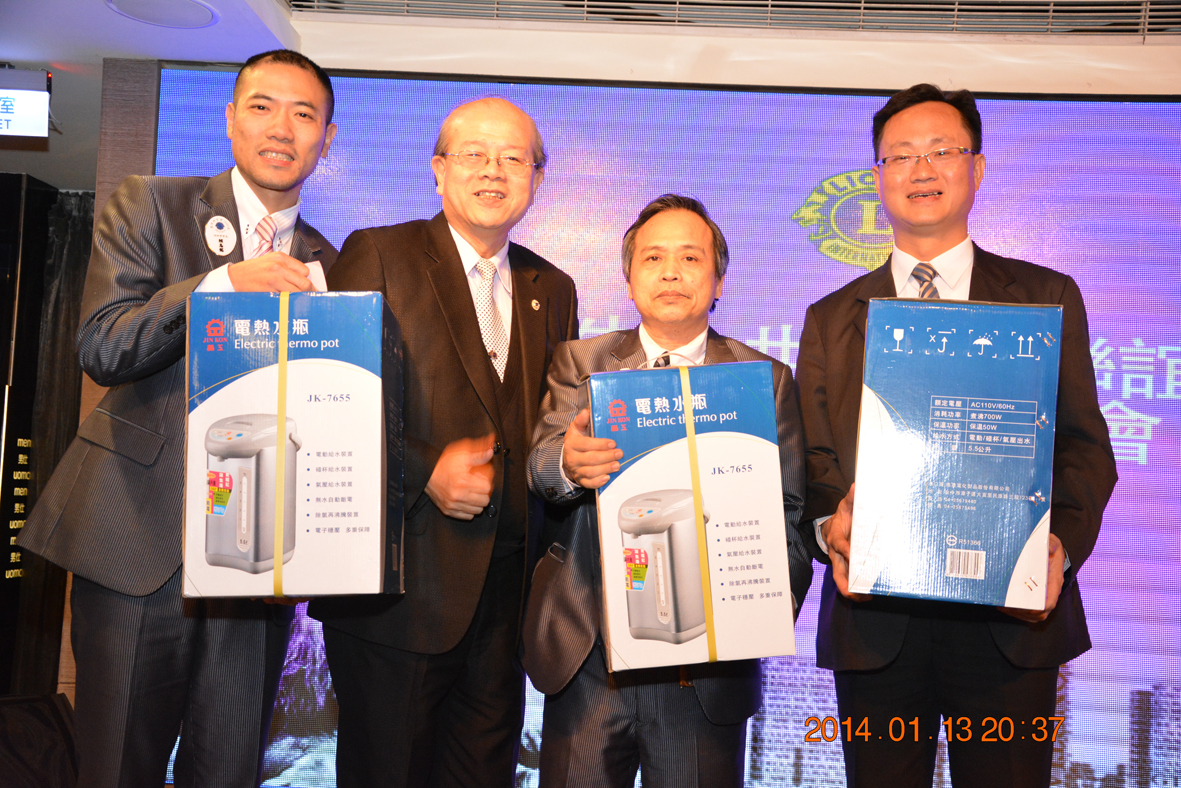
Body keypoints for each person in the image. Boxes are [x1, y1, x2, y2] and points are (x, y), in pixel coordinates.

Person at [17, 49, 338, 787]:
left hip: (258, 563)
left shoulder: (333, 262)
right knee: (115, 765)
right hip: (137, 544)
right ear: (229, 120)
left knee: (227, 769)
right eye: (261, 106)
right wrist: (221, 285)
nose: (281, 128)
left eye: (304, 114)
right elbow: (103, 346)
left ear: (327, 139)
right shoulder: (153, 204)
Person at [795, 84, 1117, 788]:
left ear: (977, 168)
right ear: (877, 176)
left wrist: (1059, 546)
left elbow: (1084, 447)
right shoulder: (830, 317)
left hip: (1011, 625)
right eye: (900, 155)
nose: (921, 169)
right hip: (876, 624)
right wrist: (829, 530)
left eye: (942, 151)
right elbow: (814, 460)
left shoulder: (1046, 297)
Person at [308, 97, 578, 788]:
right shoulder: (379, 253)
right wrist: (426, 469)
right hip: (399, 594)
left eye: (513, 158)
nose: (493, 170)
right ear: (437, 168)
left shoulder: (554, 286)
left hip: (506, 604)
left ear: (537, 177)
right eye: (473, 154)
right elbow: (326, 401)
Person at [520, 194, 813, 788]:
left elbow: (789, 515)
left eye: (690, 258)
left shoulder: (764, 380)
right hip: (589, 657)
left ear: (719, 281)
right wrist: (569, 464)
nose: (672, 272)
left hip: (706, 669)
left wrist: (759, 608)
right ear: (629, 280)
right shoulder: (582, 362)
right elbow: (541, 466)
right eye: (653, 258)